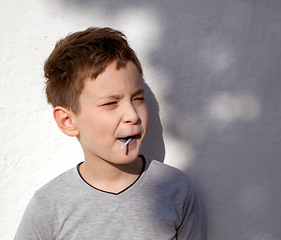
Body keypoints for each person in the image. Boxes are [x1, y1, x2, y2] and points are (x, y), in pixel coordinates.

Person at [15, 27, 203, 240]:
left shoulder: (177, 189)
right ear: (68, 121)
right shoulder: (49, 206)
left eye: (138, 99)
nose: (132, 115)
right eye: (111, 103)